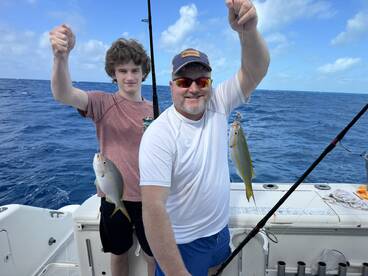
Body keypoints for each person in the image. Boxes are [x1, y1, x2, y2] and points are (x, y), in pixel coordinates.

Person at [139, 0, 270, 275]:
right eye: (184, 81)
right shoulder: (159, 135)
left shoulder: (218, 104)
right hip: (183, 245)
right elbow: (153, 209)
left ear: (210, 83)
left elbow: (255, 70)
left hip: (219, 232)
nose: (194, 88)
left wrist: (248, 31)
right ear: (171, 86)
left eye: (202, 80)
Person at [49, 24, 155, 276]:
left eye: (135, 70)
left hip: (150, 197)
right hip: (112, 196)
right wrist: (61, 57)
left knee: (154, 256)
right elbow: (62, 94)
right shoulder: (101, 102)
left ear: (144, 73)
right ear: (113, 74)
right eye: (122, 70)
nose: (129, 76)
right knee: (119, 255)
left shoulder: (155, 110)